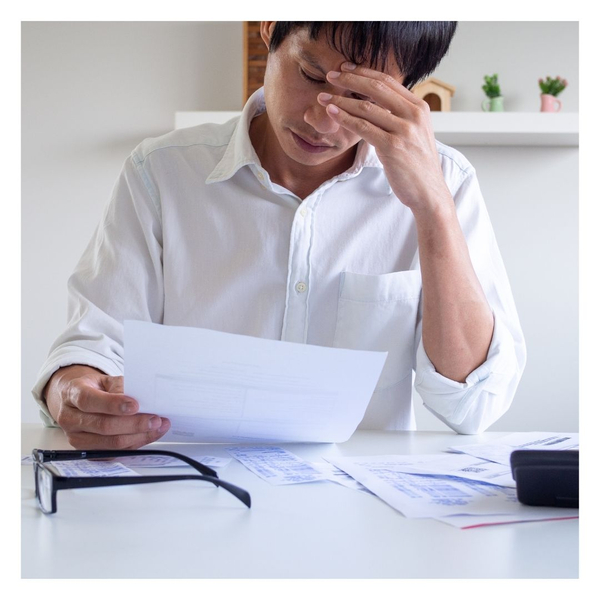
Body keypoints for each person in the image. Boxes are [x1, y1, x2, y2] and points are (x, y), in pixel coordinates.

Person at [32, 21, 526, 450]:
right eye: (311, 75)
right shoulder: (162, 172)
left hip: (363, 516)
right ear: (271, 28)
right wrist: (72, 391)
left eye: (362, 98)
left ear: (409, 92)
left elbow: (473, 404)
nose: (321, 119)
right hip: (190, 495)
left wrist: (432, 209)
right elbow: (94, 344)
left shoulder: (447, 183)